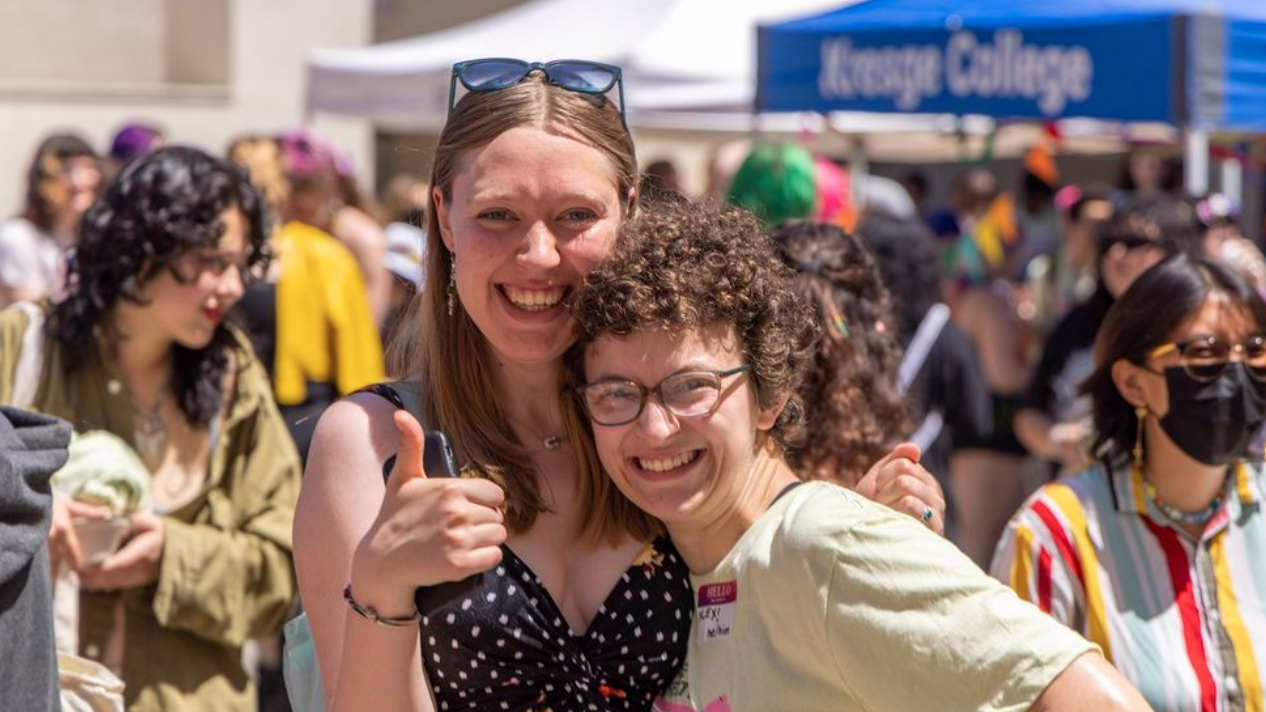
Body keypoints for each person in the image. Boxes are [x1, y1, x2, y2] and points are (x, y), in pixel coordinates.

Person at [294, 58, 943, 712]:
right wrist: (384, 589)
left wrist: (856, 544)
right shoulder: (373, 443)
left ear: (629, 212)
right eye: (498, 215)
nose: (539, 254)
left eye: (576, 215)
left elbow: (776, 637)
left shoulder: (688, 418)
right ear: (444, 217)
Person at [568, 198, 1152, 712]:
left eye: (690, 386)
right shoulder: (690, 568)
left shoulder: (827, 546)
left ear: (771, 396)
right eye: (617, 393)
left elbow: (1088, 698)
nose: (653, 426)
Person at [0, 146, 302, 711]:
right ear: (141, 250)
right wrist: (31, 515)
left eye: (241, 264)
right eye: (212, 260)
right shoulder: (23, 347)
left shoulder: (234, 378)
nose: (234, 286)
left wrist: (171, 556)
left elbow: (287, 566)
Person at [994, 254, 1266, 712]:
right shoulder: (1055, 533)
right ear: (1132, 382)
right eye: (1204, 353)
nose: (1234, 373)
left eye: (1255, 351)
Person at [1016, 196, 1202, 476]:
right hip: (1086, 496)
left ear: (1173, 250)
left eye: (1133, 243)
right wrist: (1059, 439)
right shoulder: (1078, 323)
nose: (1116, 254)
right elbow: (1029, 414)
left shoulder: (1200, 326)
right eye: (1108, 244)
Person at [235, 131, 385, 462]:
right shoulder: (322, 252)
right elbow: (358, 351)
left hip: (290, 412)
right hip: (282, 412)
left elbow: (358, 351)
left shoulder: (323, 253)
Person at [857, 211, 992, 536]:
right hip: (928, 500)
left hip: (860, 495)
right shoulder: (946, 333)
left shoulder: (853, 334)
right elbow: (975, 421)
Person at [0, 133, 101, 308]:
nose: (82, 180)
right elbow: (27, 308)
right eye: (69, 170)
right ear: (42, 181)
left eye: (88, 168)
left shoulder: (91, 236)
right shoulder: (18, 237)